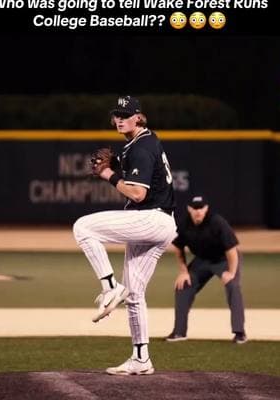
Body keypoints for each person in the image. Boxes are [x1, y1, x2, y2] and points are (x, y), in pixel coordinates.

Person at [73, 95, 177, 375]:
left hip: (150, 217)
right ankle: (141, 359)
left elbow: (138, 194)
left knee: (82, 227)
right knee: (135, 294)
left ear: (138, 117)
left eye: (126, 114)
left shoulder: (142, 147)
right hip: (163, 223)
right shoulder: (143, 141)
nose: (119, 119)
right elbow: (132, 160)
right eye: (116, 114)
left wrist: (108, 173)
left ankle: (109, 287)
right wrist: (117, 162)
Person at [166, 195, 247, 344]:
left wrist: (232, 273)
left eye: (201, 208)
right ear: (189, 209)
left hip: (224, 260)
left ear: (206, 208)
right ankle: (179, 332)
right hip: (202, 261)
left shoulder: (217, 222)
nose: (198, 211)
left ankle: (239, 332)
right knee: (183, 286)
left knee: (233, 286)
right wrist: (183, 272)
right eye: (195, 208)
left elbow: (232, 251)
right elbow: (178, 247)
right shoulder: (184, 224)